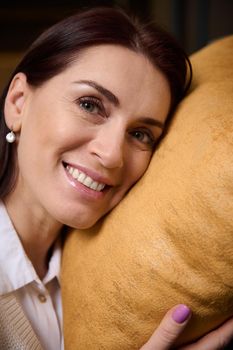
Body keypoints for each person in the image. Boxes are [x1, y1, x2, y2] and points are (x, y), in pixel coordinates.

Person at [0, 6, 232, 350]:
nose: (112, 155)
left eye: (141, 134)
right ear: (19, 103)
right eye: (90, 105)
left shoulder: (109, 285)